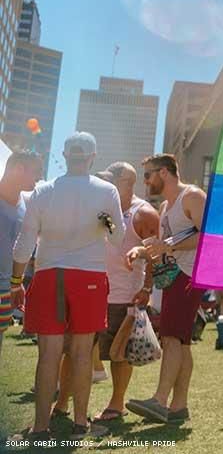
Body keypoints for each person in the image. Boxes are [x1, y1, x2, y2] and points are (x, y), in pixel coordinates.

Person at [11, 132, 124, 440]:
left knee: (48, 355)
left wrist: (15, 281)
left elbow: (24, 246)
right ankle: (80, 424)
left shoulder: (43, 190)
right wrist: (101, 219)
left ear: (63, 155)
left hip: (49, 275)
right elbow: (116, 236)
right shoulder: (106, 191)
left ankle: (40, 427)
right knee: (82, 353)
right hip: (88, 276)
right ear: (92, 157)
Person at [126, 153, 206, 424]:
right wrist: (142, 249)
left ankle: (160, 400)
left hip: (189, 275)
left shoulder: (192, 196)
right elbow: (162, 245)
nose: (146, 182)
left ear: (164, 173)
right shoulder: (165, 207)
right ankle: (178, 406)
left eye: (148, 175)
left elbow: (206, 234)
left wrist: (168, 245)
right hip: (175, 276)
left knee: (172, 338)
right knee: (181, 342)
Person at [92, 163, 160, 423]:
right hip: (96, 292)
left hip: (125, 296)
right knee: (83, 349)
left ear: (127, 183)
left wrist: (146, 288)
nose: (106, 185)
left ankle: (116, 404)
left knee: (120, 354)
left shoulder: (143, 213)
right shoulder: (104, 210)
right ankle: (65, 401)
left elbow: (155, 253)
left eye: (113, 181)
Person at [0, 151, 41, 361]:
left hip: (6, 287)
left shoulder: (26, 205)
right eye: (35, 173)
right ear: (18, 169)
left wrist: (16, 284)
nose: (38, 178)